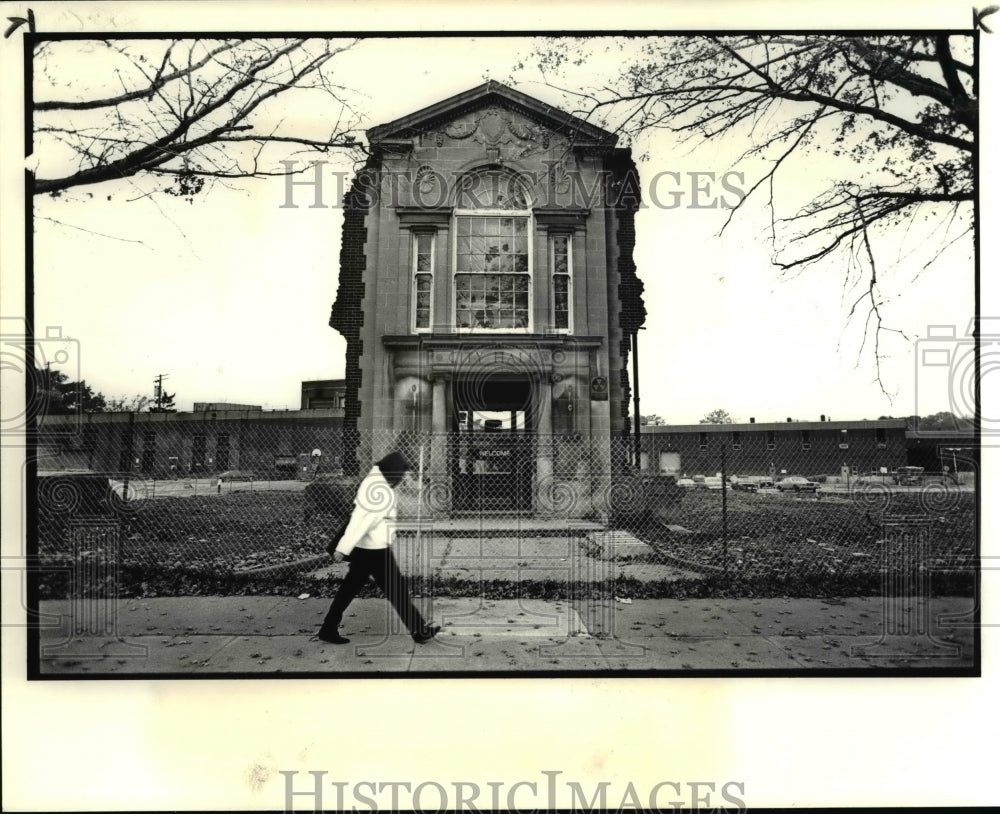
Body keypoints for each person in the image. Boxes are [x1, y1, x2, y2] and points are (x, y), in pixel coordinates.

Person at [316, 451, 439, 645]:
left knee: (354, 590)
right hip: (373, 550)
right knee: (393, 590)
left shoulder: (377, 483)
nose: (401, 478)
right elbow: (361, 521)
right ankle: (419, 630)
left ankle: (328, 628)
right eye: (400, 474)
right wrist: (343, 548)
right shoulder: (378, 489)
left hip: (372, 547)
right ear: (393, 472)